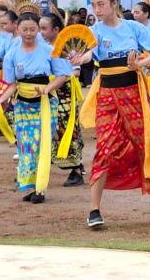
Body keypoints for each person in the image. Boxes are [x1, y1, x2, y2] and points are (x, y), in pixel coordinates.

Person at [74, 0, 150, 227]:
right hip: (106, 94)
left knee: (145, 144)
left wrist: (140, 64)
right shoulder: (94, 31)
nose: (96, 9)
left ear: (114, 3)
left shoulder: (133, 28)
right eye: (93, 5)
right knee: (104, 148)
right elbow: (88, 53)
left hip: (133, 94)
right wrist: (80, 58)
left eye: (101, 4)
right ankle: (94, 210)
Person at [0, 3, 70, 204]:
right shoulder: (11, 54)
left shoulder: (49, 50)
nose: (28, 33)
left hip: (46, 103)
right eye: (24, 29)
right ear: (17, 29)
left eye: (33, 29)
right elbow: (11, 85)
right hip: (23, 105)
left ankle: (40, 188)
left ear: (38, 30)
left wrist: (47, 88)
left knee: (42, 144)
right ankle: (27, 187)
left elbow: (62, 75)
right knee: (27, 145)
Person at [39, 12, 85, 187]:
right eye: (40, 28)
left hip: (65, 95)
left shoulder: (68, 48)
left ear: (55, 29)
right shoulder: (41, 47)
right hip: (47, 93)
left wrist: (58, 78)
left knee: (68, 130)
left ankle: (76, 169)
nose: (41, 32)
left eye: (44, 28)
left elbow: (76, 71)